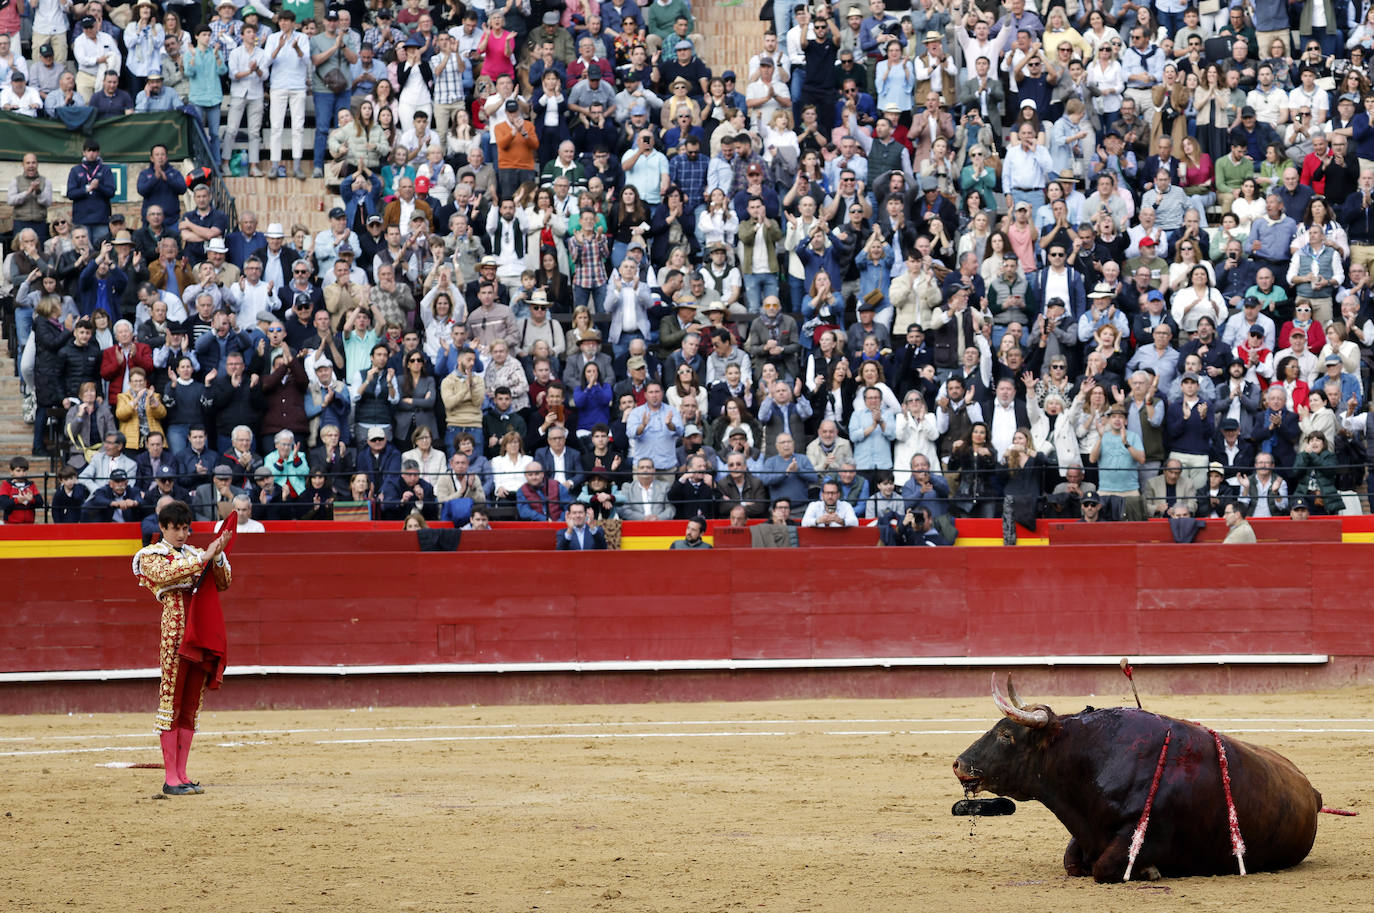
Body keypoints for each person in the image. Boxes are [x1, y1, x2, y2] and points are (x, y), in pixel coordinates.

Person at [132, 500, 233, 795]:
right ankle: (170, 778)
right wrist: (206, 557)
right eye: (175, 528)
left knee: (190, 705)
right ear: (163, 528)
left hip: (199, 634)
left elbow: (224, 582)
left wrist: (217, 555)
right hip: (175, 636)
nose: (181, 534)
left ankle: (183, 774)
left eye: (185, 528)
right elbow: (167, 576)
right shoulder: (150, 555)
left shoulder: (195, 554)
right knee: (171, 704)